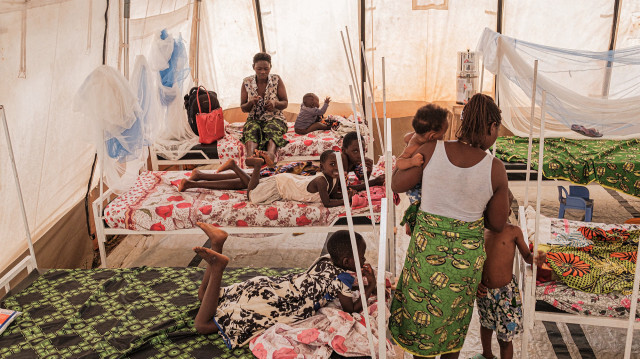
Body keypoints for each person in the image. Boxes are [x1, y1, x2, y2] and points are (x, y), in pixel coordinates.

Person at [389, 93, 510, 359]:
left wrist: (407, 155)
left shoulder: (432, 150)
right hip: (462, 264)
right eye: (496, 130)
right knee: (451, 325)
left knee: (422, 321)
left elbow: (397, 184)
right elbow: (497, 223)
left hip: (425, 255)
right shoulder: (495, 168)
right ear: (491, 127)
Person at [192, 225, 376, 348]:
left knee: (205, 296)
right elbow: (351, 308)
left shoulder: (326, 259)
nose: (364, 260)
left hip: (272, 286)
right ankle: (217, 268)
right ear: (346, 261)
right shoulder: (342, 279)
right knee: (202, 325)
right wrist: (371, 286)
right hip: (277, 304)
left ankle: (217, 243)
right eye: (361, 257)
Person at [472, 191, 542, 359]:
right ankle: (487, 354)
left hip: (506, 294)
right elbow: (474, 261)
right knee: (486, 325)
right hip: (484, 292)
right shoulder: (480, 231)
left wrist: (535, 259)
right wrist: (476, 283)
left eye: (501, 209)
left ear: (509, 211)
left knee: (505, 338)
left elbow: (526, 257)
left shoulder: (513, 231)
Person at [179, 151, 349, 208]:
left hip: (286, 179)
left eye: (341, 165)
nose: (337, 168)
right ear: (322, 166)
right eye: (333, 164)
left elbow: (333, 194)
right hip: (281, 182)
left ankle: (198, 178)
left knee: (244, 183)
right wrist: (347, 201)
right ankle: (253, 166)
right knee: (251, 194)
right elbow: (327, 202)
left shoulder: (333, 177)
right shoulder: (321, 179)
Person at [396, 104, 450, 235]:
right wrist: (411, 161)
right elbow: (399, 162)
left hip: (424, 181)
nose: (443, 138)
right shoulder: (415, 147)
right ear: (432, 136)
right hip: (416, 188)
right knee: (419, 207)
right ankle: (410, 220)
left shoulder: (415, 136)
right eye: (442, 135)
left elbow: (406, 137)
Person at [241, 52, 289, 166]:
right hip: (254, 118)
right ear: (253, 67)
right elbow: (243, 107)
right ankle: (250, 157)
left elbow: (285, 102)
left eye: (266, 69)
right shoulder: (247, 82)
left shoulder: (276, 79)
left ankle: (270, 155)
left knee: (272, 127)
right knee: (251, 128)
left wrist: (274, 103)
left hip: (275, 117)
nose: (263, 72)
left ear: (270, 67)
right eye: (259, 68)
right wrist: (251, 102)